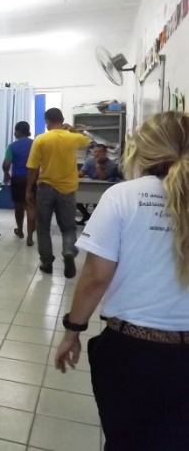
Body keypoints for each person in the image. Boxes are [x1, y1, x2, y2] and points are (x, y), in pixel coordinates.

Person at [55, 112, 189, 450]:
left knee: (126, 441)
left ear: (144, 149)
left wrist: (73, 330)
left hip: (133, 352)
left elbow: (95, 277)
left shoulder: (123, 196)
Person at [26, 108, 90, 278]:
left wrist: (29, 190)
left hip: (45, 188)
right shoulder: (72, 137)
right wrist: (73, 129)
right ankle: (68, 251)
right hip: (67, 190)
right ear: (62, 121)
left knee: (43, 227)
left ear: (47, 121)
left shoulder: (41, 139)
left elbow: (33, 168)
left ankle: (46, 263)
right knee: (68, 227)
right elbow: (87, 140)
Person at [3, 121, 36, 246]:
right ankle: (30, 237)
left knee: (19, 205)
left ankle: (20, 230)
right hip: (33, 178)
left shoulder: (12, 146)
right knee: (31, 206)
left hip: (18, 178)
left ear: (18, 131)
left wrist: (6, 173)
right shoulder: (35, 144)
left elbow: (6, 164)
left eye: (15, 131)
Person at [76, 143, 123, 225]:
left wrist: (98, 165)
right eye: (95, 152)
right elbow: (82, 173)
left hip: (105, 190)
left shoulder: (111, 165)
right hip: (93, 188)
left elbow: (101, 178)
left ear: (105, 153)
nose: (97, 154)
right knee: (75, 197)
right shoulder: (90, 161)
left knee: (97, 204)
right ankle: (86, 215)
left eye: (99, 152)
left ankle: (99, 222)